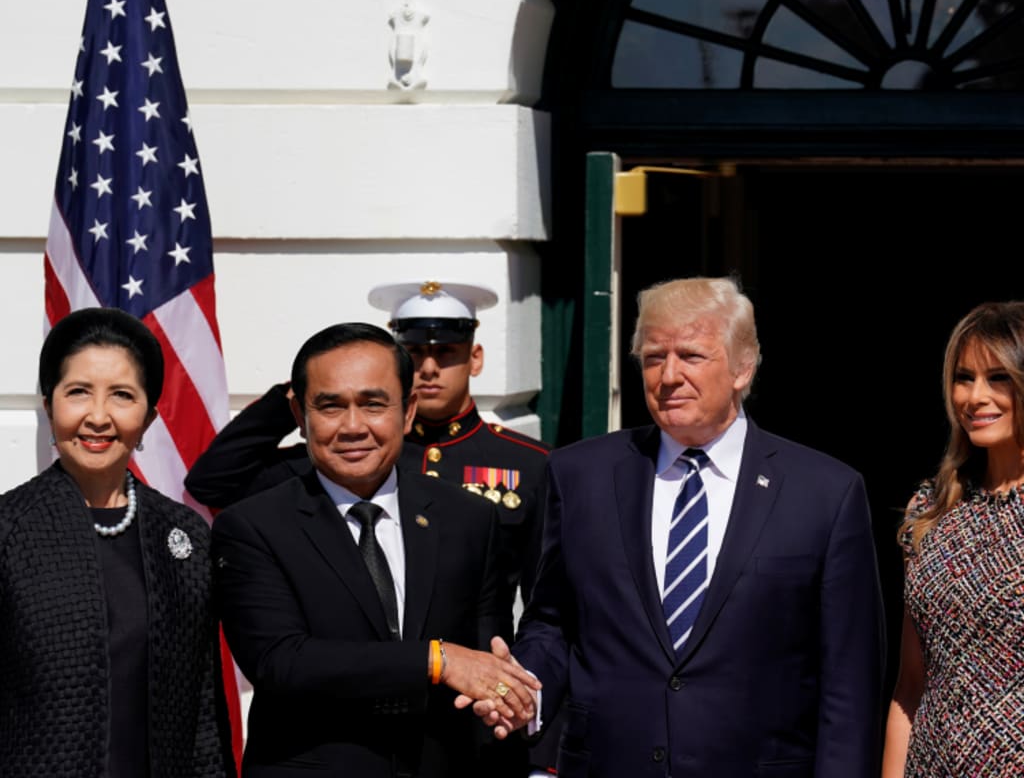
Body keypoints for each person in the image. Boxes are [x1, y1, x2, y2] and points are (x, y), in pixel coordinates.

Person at [472, 276, 886, 777]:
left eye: (691, 356)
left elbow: (850, 683)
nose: (668, 376)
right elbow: (553, 622)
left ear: (742, 368)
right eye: (652, 357)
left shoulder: (825, 493)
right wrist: (525, 687)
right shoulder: (581, 475)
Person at [211, 322, 541, 777]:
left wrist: (506, 700)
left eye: (372, 404)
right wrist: (435, 659)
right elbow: (280, 662)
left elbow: (486, 656)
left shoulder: (467, 518)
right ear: (299, 413)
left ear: (407, 412)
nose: (352, 426)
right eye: (329, 406)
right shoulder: (252, 526)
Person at [186, 281, 549, 631]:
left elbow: (540, 599)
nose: (428, 369)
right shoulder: (351, 453)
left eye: (446, 353)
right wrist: (314, 385)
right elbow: (212, 482)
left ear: (475, 358)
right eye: (414, 353)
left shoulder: (529, 462)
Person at [0, 307, 235, 777]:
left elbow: (203, 711)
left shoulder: (184, 536)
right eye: (78, 393)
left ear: (148, 417)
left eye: (122, 396)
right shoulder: (8, 530)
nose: (98, 417)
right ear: (50, 406)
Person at [882, 301, 1024, 777]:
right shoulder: (931, 510)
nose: (974, 397)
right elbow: (910, 686)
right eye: (964, 378)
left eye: (998, 377)